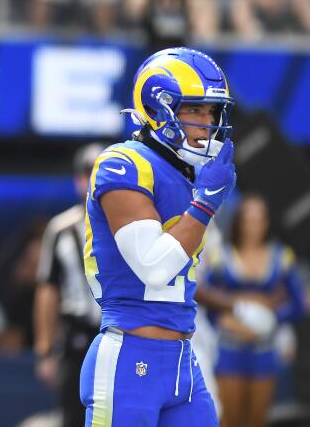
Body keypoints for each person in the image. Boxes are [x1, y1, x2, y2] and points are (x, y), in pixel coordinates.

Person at [80, 47, 237, 426]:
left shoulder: (185, 174)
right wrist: (204, 206)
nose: (208, 122)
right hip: (129, 355)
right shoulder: (124, 163)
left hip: (183, 356)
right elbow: (152, 266)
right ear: (159, 107)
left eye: (212, 112)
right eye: (195, 109)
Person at [204, 193, 305, 427]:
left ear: (267, 222)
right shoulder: (223, 256)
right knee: (229, 419)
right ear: (239, 221)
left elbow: (297, 304)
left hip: (264, 349)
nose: (253, 226)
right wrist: (221, 321)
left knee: (257, 420)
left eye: (259, 220)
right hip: (229, 348)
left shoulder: (282, 257)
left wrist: (271, 319)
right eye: (248, 219)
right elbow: (204, 296)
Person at [33, 143, 104, 427]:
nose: (92, 181)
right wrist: (45, 349)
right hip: (80, 333)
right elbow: (48, 289)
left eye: (99, 173)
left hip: (124, 331)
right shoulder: (61, 228)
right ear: (77, 179)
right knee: (75, 413)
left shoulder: (130, 223)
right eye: (88, 173)